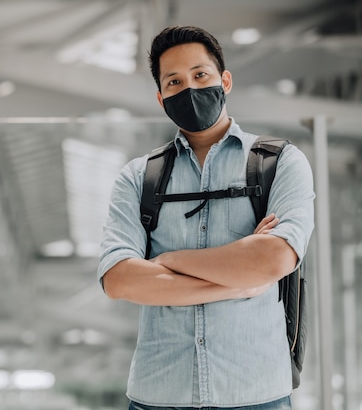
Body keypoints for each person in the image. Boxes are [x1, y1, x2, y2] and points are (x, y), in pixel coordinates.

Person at [97, 25, 315, 410]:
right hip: (159, 395)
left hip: (256, 394)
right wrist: (238, 283)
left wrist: (166, 261)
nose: (190, 89)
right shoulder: (138, 177)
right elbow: (119, 279)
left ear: (225, 80)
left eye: (201, 75)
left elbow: (275, 259)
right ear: (161, 98)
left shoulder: (279, 163)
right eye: (175, 82)